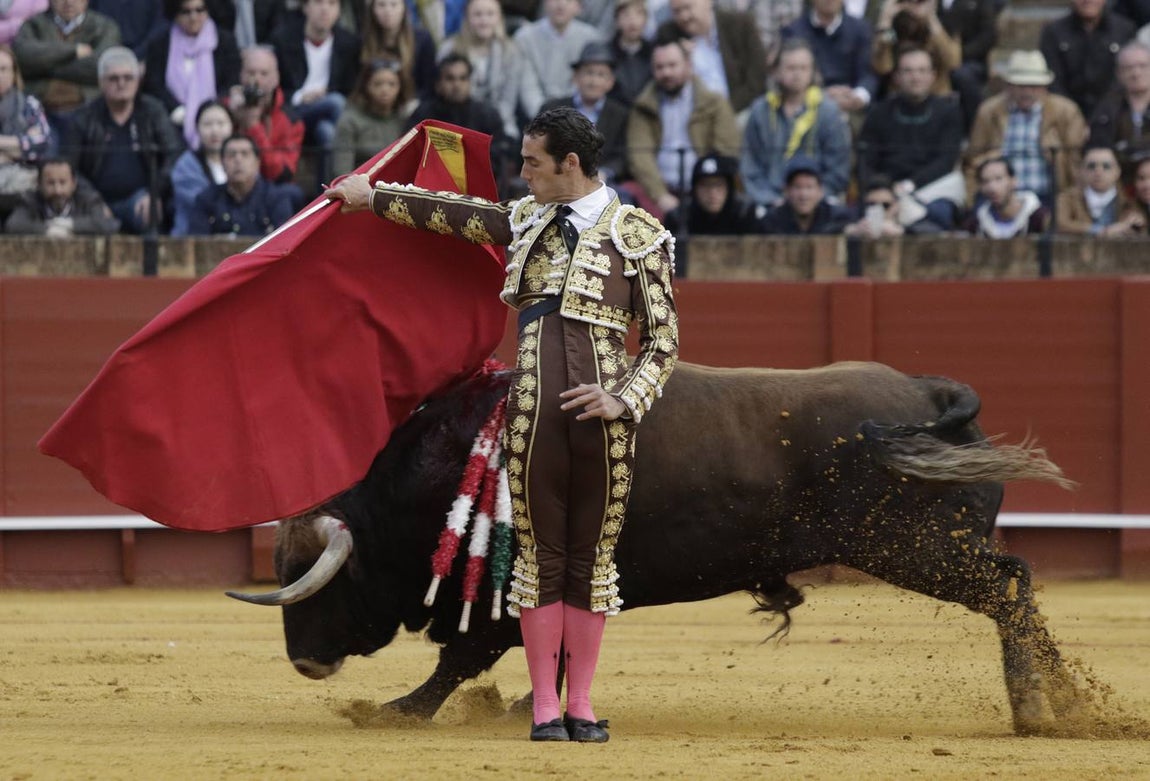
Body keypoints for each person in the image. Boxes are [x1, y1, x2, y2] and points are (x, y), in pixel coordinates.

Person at [324, 106, 678, 744]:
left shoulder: (640, 234)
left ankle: (582, 703)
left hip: (604, 429)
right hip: (530, 421)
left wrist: (625, 399)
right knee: (540, 561)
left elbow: (662, 341)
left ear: (569, 164)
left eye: (532, 162)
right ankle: (546, 707)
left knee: (591, 562)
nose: (523, 173)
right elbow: (451, 214)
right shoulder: (524, 218)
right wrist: (371, 197)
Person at [62, 46, 184, 235]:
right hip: (95, 202)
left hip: (141, 200)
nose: (121, 83)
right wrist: (92, 200)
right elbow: (69, 166)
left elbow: (174, 153)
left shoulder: (153, 111)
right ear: (101, 82)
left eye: (128, 77)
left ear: (138, 81)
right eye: (113, 78)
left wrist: (155, 193)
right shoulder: (83, 117)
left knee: (151, 213)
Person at [626, 36, 739, 215]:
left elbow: (726, 149)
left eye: (672, 65)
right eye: (660, 67)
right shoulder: (642, 106)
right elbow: (640, 156)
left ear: (688, 65)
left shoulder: (715, 103)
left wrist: (704, 189)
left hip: (705, 189)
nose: (666, 73)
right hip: (658, 192)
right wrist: (660, 195)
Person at [857, 47, 964, 232]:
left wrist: (909, 186)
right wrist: (881, 189)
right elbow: (867, 159)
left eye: (922, 71)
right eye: (908, 71)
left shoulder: (948, 112)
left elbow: (946, 160)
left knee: (937, 218)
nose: (915, 78)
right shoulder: (879, 113)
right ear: (897, 77)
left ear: (933, 76)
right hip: (886, 190)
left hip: (931, 191)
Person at [966, 50, 1088, 209]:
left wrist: (1057, 156)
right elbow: (972, 161)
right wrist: (991, 159)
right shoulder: (989, 111)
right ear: (1009, 86)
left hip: (1048, 196)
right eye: (1021, 86)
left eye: (1034, 86)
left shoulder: (1066, 111)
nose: (1027, 92)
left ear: (1045, 87)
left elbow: (1076, 164)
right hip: (998, 196)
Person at [740, 37, 851, 208]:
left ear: (812, 72)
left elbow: (838, 170)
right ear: (777, 71)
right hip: (769, 203)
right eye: (791, 68)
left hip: (818, 203)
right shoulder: (760, 111)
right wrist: (771, 199)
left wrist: (812, 198)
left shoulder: (829, 112)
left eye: (803, 68)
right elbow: (750, 167)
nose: (797, 74)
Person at [270, 0, 361, 187]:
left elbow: (350, 89)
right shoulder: (283, 39)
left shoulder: (349, 42)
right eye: (319, 2)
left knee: (327, 132)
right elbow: (274, 87)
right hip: (294, 109)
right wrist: (300, 97)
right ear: (305, 7)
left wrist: (325, 94)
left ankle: (326, 193)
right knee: (336, 102)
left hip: (328, 114)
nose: (325, 9)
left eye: (332, 3)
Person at [141, 0, 242, 148]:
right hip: (172, 120)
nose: (193, 17)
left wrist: (210, 111)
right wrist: (176, 110)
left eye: (199, 10)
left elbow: (231, 81)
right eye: (186, 12)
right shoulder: (161, 42)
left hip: (215, 120)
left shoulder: (224, 41)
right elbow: (154, 84)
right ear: (175, 14)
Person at [12, 0, 121, 126]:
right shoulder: (34, 24)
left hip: (89, 109)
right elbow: (22, 57)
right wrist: (73, 51)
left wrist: (44, 64)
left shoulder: (105, 27)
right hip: (40, 111)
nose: (68, 2)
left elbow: (102, 66)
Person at [656, 0, 767, 114]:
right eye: (677, 11)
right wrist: (682, 57)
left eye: (688, 8)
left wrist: (724, 113)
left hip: (742, 109)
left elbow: (757, 80)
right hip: (695, 117)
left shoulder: (740, 25)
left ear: (708, 2)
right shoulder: (669, 35)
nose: (684, 16)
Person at [541, 42, 629, 186]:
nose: (593, 81)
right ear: (576, 77)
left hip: (603, 182)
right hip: (558, 179)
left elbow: (623, 156)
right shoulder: (553, 108)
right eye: (589, 73)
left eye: (601, 75)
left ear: (610, 82)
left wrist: (605, 172)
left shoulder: (620, 114)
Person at [406, 52, 508, 172]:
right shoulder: (423, 115)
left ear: (470, 82)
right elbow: (410, 152)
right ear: (438, 84)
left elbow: (498, 154)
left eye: (463, 78)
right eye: (450, 78)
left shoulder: (487, 114)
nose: (457, 85)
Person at [437, 0, 521, 140]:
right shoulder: (449, 48)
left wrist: (492, 123)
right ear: (467, 17)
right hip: (457, 123)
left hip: (499, 123)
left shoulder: (510, 51)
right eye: (478, 14)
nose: (484, 21)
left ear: (499, 17)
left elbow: (508, 101)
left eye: (490, 14)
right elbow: (442, 94)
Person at [1039, 0, 1135, 122]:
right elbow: (1052, 78)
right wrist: (1072, 114)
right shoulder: (1053, 32)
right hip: (1066, 115)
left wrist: (1102, 115)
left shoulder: (1124, 30)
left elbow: (1122, 79)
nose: (1088, 1)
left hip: (1113, 115)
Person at [780, 0, 876, 117]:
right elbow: (789, 75)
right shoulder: (793, 31)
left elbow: (868, 73)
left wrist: (859, 96)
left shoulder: (861, 29)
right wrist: (822, 95)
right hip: (806, 107)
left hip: (852, 107)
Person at [227, 45, 305, 186]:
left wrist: (253, 126)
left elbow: (281, 174)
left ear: (276, 78)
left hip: (270, 189)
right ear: (241, 75)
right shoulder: (227, 107)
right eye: (251, 73)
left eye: (264, 73)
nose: (256, 80)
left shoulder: (291, 120)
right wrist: (228, 116)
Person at [188, 132, 293, 235]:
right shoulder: (206, 199)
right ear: (222, 163)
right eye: (231, 155)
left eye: (245, 154)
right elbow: (196, 241)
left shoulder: (275, 198)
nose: (238, 160)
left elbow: (283, 243)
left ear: (257, 163)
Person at [514, 0, 603, 120]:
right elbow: (528, 86)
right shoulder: (524, 38)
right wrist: (544, 117)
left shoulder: (591, 38)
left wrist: (568, 120)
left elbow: (583, 84)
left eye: (568, 1)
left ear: (579, 7)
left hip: (577, 118)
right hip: (536, 118)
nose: (561, 5)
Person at [332, 58, 410, 175]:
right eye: (377, 84)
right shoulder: (350, 121)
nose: (385, 89)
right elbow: (341, 171)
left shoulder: (405, 120)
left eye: (392, 84)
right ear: (366, 86)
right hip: (358, 187)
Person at [5, 156, 119, 234]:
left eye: (62, 182)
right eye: (50, 183)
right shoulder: (29, 200)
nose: (57, 190)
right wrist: (48, 229)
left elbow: (105, 224)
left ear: (73, 183)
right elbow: (13, 224)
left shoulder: (88, 199)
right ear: (39, 184)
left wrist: (69, 225)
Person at [870, 0, 961, 96]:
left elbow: (953, 62)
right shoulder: (893, 26)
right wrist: (886, 20)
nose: (914, 3)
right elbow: (883, 67)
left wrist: (931, 18)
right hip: (899, 98)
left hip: (936, 97)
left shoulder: (945, 23)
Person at [0, 44, 52, 208]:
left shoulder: (28, 105)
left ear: (14, 74)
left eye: (3, 69)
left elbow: (42, 142)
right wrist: (18, 145)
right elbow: (29, 143)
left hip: (20, 180)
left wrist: (3, 149)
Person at [170, 99, 232, 235]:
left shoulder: (240, 158)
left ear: (232, 127)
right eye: (207, 124)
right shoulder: (185, 165)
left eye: (221, 123)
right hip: (191, 237)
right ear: (197, 128)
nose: (215, 131)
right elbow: (201, 204)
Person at [1055, 144, 1142, 235]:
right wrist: (1101, 231)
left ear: (1117, 171)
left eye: (1106, 166)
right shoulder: (1067, 199)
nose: (1098, 172)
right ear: (1082, 171)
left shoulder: (1129, 201)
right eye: (1092, 166)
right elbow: (1053, 223)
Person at [361, 0, 440, 98]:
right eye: (381, 5)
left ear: (404, 8)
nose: (388, 11)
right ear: (372, 10)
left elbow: (428, 84)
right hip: (372, 103)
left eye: (394, 4)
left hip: (413, 104)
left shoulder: (422, 40)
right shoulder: (362, 42)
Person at [1088, 42, 1150, 164]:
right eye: (1128, 68)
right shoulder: (1107, 108)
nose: (1136, 73)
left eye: (1142, 66)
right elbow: (1099, 148)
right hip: (1119, 176)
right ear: (1119, 74)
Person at [760, 153, 851, 234]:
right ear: (786, 191)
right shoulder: (772, 221)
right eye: (797, 187)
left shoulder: (835, 217)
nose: (803, 195)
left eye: (809, 187)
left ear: (820, 191)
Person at [961, 156, 1048, 238]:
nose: (992, 188)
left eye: (998, 179)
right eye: (985, 181)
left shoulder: (1040, 218)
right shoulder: (975, 224)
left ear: (1013, 181)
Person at [608, 0, 652, 107]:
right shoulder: (607, 53)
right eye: (626, 15)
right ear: (617, 21)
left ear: (646, 20)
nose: (633, 21)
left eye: (638, 14)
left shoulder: (654, 52)